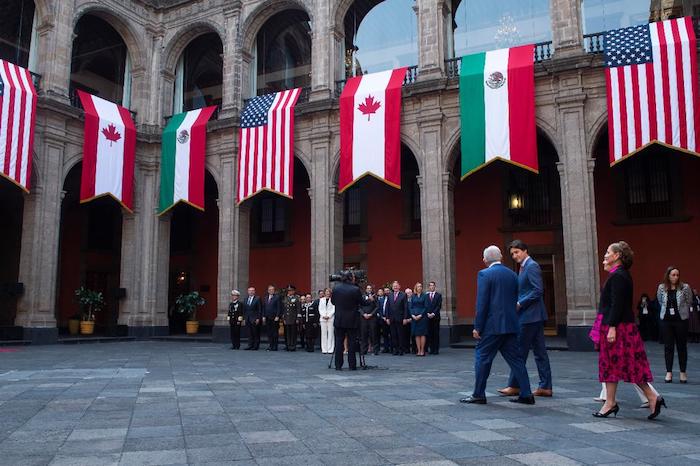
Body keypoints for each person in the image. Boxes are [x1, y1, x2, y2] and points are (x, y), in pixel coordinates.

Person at [595, 241, 664, 420]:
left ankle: (615, 402)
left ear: (617, 256)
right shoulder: (620, 274)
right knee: (629, 364)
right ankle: (647, 398)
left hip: (618, 328)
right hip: (621, 326)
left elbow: (617, 304)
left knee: (615, 364)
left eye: (607, 252)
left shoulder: (618, 276)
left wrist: (611, 327)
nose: (605, 255)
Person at [460, 245, 534, 405]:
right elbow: (516, 299)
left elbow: (482, 303)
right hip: (511, 325)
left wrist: (477, 327)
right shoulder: (512, 274)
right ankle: (527, 394)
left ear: (485, 259)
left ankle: (479, 394)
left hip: (492, 327)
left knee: (482, 358)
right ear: (500, 257)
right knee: (517, 361)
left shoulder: (484, 274)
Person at [498, 240, 553, 398]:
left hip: (529, 316)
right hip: (533, 316)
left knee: (519, 351)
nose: (515, 256)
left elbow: (537, 290)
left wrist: (520, 303)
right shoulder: (524, 267)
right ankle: (545, 386)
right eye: (512, 254)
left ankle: (515, 385)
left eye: (517, 252)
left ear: (525, 251)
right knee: (540, 352)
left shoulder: (531, 266)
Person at [657, 267, 693, 384]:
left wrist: (682, 311)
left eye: (677, 275)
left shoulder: (684, 287)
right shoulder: (662, 287)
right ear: (668, 276)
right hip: (666, 321)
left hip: (681, 320)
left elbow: (689, 301)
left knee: (681, 347)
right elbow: (660, 300)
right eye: (673, 275)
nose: (675, 277)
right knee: (668, 347)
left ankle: (683, 372)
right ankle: (669, 372)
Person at [331, 271, 363, 370]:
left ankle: (338, 365)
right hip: (352, 319)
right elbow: (362, 302)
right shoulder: (355, 289)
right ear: (350, 278)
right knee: (352, 343)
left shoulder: (336, 288)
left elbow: (333, 302)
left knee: (339, 342)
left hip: (339, 319)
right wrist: (370, 300)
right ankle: (352, 365)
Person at [387, 281, 408, 355]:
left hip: (400, 318)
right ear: (392, 287)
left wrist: (405, 318)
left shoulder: (403, 295)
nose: (395, 287)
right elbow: (387, 307)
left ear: (399, 286)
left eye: (396, 286)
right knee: (393, 335)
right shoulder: (389, 295)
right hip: (392, 318)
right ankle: (395, 350)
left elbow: (405, 307)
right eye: (394, 286)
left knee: (400, 335)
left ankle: (401, 350)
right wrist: (387, 318)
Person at [410, 282, 429, 356]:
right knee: (417, 334)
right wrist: (412, 315)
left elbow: (426, 307)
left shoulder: (425, 296)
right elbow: (410, 307)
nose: (420, 288)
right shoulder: (413, 296)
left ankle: (422, 350)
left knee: (422, 334)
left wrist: (420, 315)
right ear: (416, 288)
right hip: (414, 317)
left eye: (421, 286)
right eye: (418, 286)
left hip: (422, 317)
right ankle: (418, 350)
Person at [359, 285, 378, 355]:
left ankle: (375, 350)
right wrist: (363, 314)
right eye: (368, 288)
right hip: (363, 318)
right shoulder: (362, 297)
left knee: (373, 334)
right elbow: (359, 307)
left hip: (372, 318)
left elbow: (377, 307)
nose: (369, 289)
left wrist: (371, 314)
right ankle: (364, 350)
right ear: (366, 289)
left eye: (370, 288)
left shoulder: (375, 297)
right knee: (364, 334)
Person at [282, 285, 301, 351]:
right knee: (287, 333)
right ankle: (288, 345)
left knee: (293, 333)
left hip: (293, 318)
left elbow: (298, 309)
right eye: (289, 290)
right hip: (287, 318)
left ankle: (293, 346)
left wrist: (298, 318)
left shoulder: (296, 298)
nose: (290, 292)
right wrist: (283, 318)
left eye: (291, 290)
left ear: (294, 291)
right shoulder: (285, 298)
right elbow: (284, 309)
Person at [262, 285, 282, 351]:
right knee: (269, 333)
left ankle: (275, 346)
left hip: (274, 318)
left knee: (275, 333)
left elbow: (279, 308)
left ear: (274, 290)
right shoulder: (265, 297)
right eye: (270, 290)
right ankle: (270, 345)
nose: (271, 291)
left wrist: (277, 316)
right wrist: (263, 316)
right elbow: (264, 308)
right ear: (268, 291)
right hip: (267, 318)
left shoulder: (277, 297)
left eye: (272, 289)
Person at [426, 281, 442, 355]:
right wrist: (427, 313)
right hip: (428, 317)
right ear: (429, 287)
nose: (431, 287)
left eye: (433, 285)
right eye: (430, 285)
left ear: (435, 286)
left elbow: (438, 306)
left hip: (435, 317)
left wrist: (433, 313)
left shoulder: (438, 295)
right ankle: (431, 349)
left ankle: (436, 349)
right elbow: (425, 306)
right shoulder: (426, 295)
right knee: (430, 333)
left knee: (436, 333)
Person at [319, 288, 335, 354]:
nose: (327, 293)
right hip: (323, 319)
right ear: (324, 292)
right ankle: (324, 349)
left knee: (331, 333)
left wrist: (329, 315)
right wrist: (323, 315)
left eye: (329, 292)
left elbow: (334, 309)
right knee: (324, 334)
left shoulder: (333, 300)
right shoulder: (321, 300)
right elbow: (320, 309)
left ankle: (330, 349)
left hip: (330, 318)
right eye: (326, 291)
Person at [379, 287, 393, 353]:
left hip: (390, 319)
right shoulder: (382, 299)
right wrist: (382, 316)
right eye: (385, 291)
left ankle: (392, 348)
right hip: (383, 319)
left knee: (392, 334)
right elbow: (380, 309)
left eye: (388, 290)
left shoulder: (392, 298)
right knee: (385, 334)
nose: (387, 292)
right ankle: (386, 348)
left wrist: (388, 318)